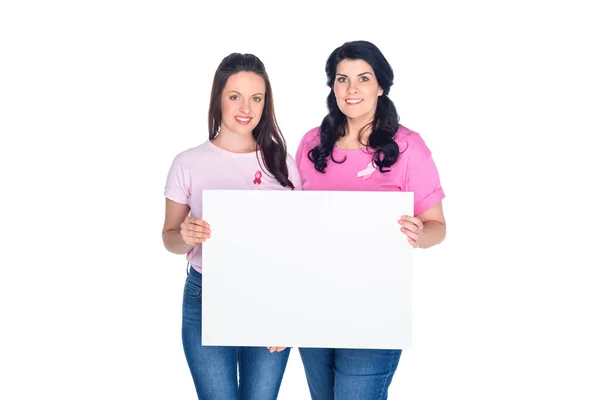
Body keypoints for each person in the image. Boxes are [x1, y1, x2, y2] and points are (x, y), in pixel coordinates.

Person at [294, 40, 447, 399]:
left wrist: (419, 232)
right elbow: (292, 221)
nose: (351, 89)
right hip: (312, 302)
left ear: (381, 85)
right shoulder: (311, 143)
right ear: (332, 86)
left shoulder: (408, 146)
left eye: (363, 78)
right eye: (342, 79)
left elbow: (437, 227)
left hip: (375, 307)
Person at [162, 52, 301, 399]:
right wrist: (184, 235)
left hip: (270, 295)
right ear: (218, 99)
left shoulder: (281, 163)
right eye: (235, 96)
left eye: (256, 98)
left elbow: (300, 243)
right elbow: (169, 239)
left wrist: (288, 312)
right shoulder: (188, 163)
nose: (246, 107)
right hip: (206, 294)